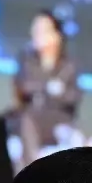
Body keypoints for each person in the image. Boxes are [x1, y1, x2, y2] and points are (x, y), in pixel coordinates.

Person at [13, 10, 82, 164]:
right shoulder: (27, 60)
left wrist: (57, 92)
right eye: (35, 30)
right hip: (31, 116)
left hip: (57, 119)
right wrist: (48, 87)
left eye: (43, 30)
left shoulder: (69, 65)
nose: (37, 35)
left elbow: (73, 96)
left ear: (56, 36)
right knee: (26, 120)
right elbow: (23, 86)